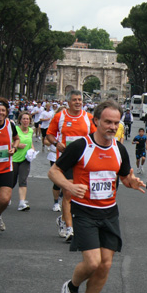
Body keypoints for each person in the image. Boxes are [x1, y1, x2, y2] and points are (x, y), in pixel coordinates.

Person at [51, 99, 145, 293]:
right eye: (108, 122)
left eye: (116, 123)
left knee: (105, 264)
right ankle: (71, 287)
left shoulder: (119, 149)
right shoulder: (81, 146)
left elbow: (123, 177)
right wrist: (69, 186)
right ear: (96, 121)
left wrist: (131, 182)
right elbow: (54, 171)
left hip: (109, 212)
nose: (112, 127)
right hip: (84, 211)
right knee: (92, 262)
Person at [46, 90, 96, 241]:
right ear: (68, 102)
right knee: (68, 193)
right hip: (65, 160)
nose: (78, 102)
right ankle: (70, 229)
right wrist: (56, 143)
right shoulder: (59, 116)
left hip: (83, 162)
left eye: (80, 100)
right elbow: (49, 134)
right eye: (75, 100)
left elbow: (95, 137)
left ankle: (63, 219)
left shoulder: (88, 118)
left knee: (81, 194)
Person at [0, 97, 20, 231]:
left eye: (2, 110)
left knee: (5, 199)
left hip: (5, 167)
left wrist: (15, 147)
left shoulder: (10, 125)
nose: (0, 112)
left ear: (6, 112)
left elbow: (16, 139)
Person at [12, 111, 36, 211]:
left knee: (23, 180)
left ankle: (22, 203)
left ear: (30, 121)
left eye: (27, 119)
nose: (26, 121)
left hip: (25, 160)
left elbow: (30, 143)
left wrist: (33, 150)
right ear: (20, 120)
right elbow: (9, 141)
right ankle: (4, 197)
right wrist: (17, 145)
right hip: (14, 159)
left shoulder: (31, 131)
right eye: (24, 119)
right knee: (11, 182)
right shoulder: (15, 129)